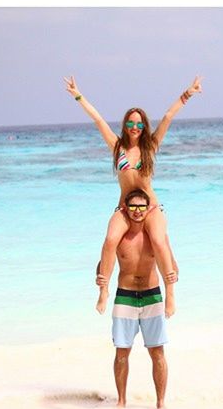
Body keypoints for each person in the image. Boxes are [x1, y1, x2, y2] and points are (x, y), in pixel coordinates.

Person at [63, 74, 203, 318]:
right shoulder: (117, 147)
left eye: (139, 124)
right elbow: (97, 119)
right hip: (124, 208)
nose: (135, 128)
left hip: (150, 208)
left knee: (159, 241)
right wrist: (78, 94)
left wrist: (188, 93)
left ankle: (170, 293)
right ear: (124, 126)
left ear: (144, 126)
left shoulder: (150, 146)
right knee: (109, 240)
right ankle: (104, 290)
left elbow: (168, 116)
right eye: (130, 124)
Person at [96, 189, 171, 409]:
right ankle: (121, 401)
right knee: (121, 352)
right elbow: (103, 263)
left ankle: (160, 403)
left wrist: (172, 285)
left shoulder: (156, 238)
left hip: (152, 295)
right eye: (133, 207)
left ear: (149, 209)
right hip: (125, 296)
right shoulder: (119, 237)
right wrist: (101, 281)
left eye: (141, 207)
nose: (137, 211)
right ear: (125, 209)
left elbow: (171, 262)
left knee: (157, 352)